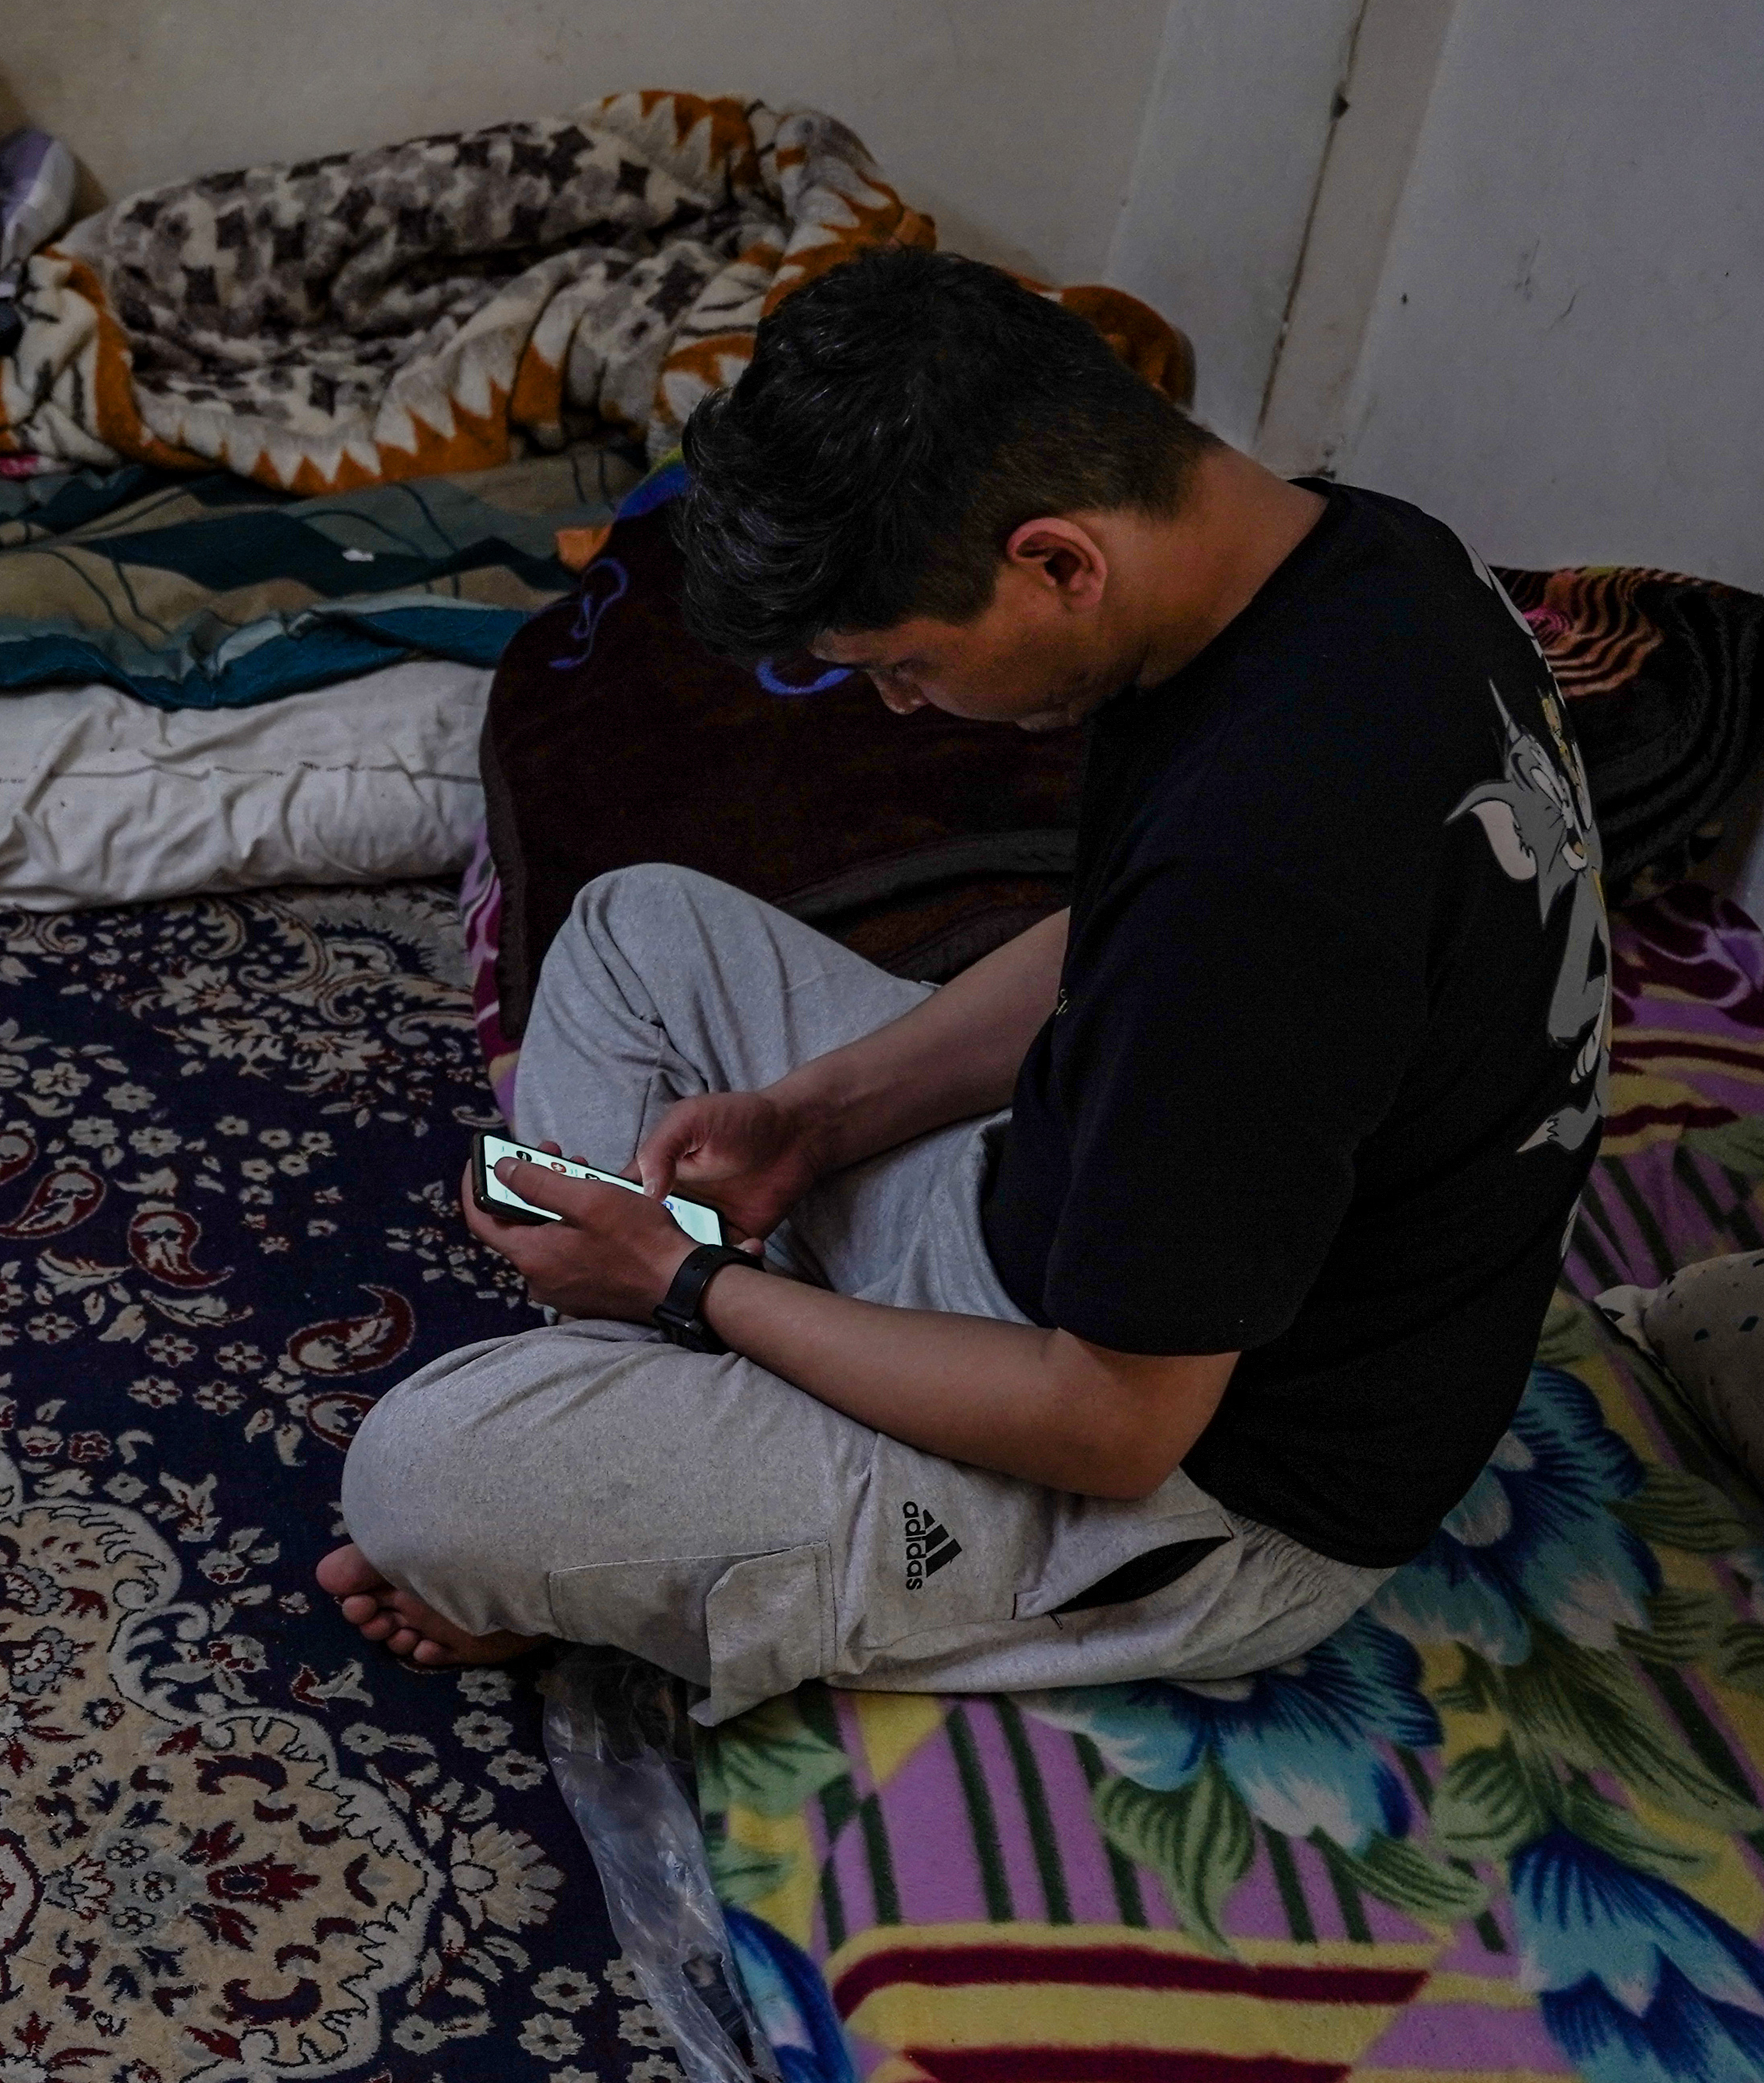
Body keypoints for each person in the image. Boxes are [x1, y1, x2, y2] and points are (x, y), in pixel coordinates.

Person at [321, 248, 1609, 1713]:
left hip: (1180, 1487)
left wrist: (690, 1285)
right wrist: (815, 1121)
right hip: (1061, 1217)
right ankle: (650, 1443)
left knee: (421, 1479)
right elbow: (1116, 939)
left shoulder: (1269, 883)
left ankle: (629, 1448)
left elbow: (1114, 1425)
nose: (896, 706)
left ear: (1058, 561)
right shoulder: (1354, 559)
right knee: (634, 929)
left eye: (904, 665)